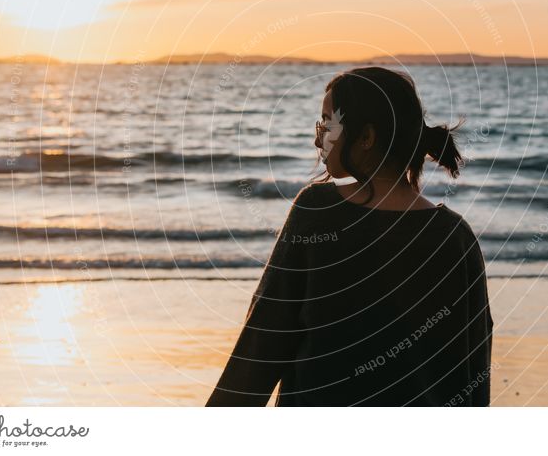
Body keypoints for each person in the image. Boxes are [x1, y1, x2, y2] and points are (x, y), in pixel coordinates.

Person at [206, 66, 494, 406]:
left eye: (327, 124)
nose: (318, 138)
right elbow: (474, 366)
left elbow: (263, 343)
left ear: (366, 137)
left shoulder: (317, 211)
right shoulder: (455, 237)